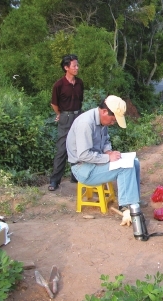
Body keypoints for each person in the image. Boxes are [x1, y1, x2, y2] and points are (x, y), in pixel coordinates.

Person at [66, 95, 139, 226]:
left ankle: (134, 201)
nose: (112, 123)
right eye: (112, 120)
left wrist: (108, 151)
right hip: (83, 168)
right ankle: (126, 208)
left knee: (135, 162)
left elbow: (105, 140)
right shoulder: (86, 124)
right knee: (124, 169)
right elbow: (83, 155)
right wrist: (107, 158)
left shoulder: (102, 121)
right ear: (104, 111)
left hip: (95, 161)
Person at [49, 54, 84, 191]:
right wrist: (61, 115)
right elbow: (54, 104)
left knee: (78, 147)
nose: (77, 68)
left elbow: (80, 100)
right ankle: (54, 181)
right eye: (74, 66)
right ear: (66, 67)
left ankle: (76, 176)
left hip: (78, 115)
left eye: (77, 65)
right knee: (62, 148)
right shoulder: (59, 85)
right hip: (65, 117)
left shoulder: (80, 83)